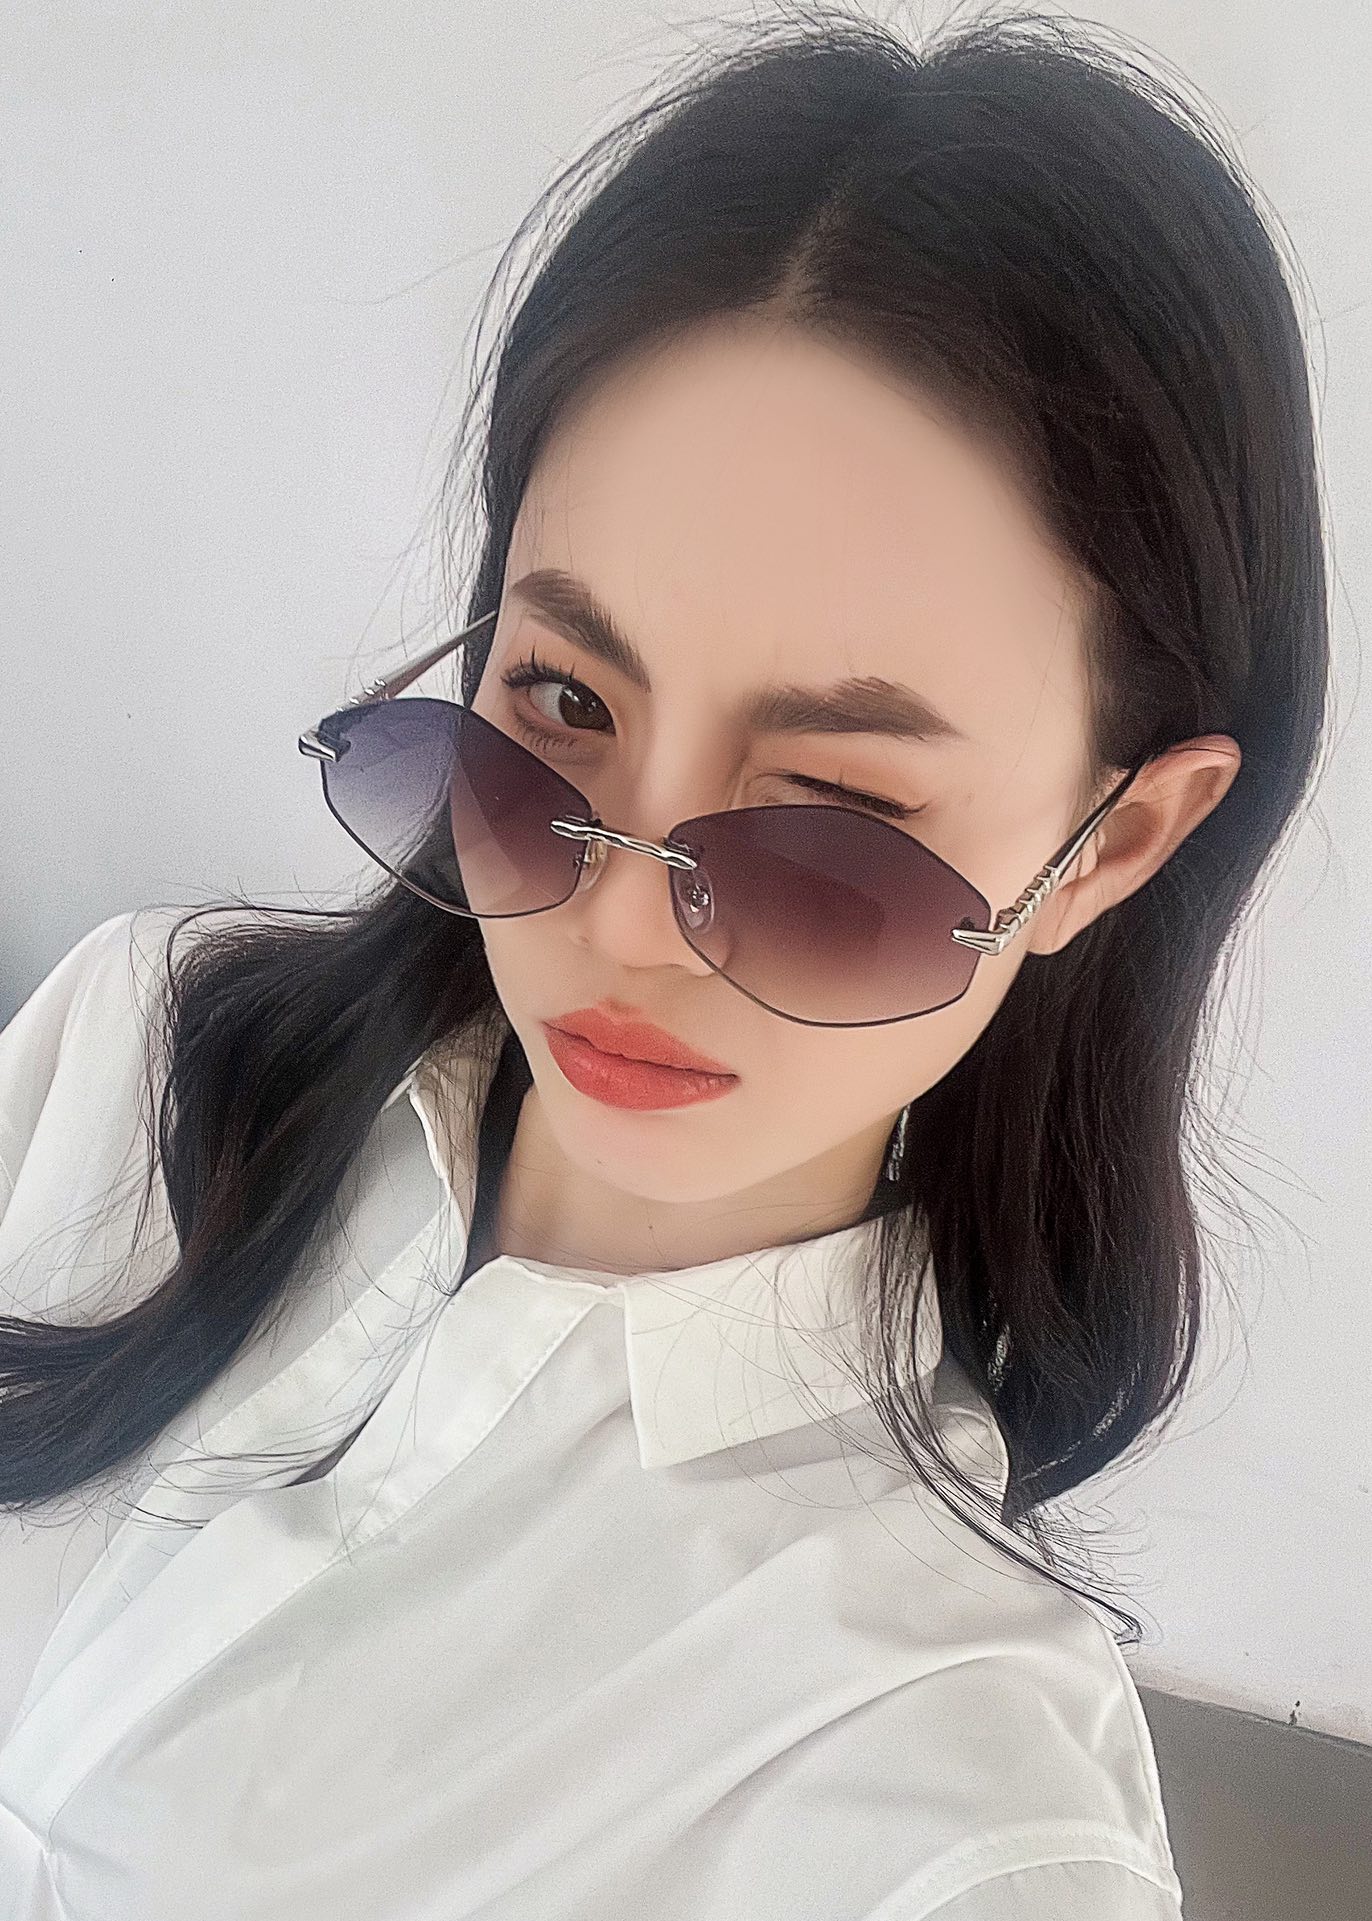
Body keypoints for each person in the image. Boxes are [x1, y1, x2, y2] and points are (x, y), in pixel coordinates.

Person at [0, 11, 1330, 1919]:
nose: (615, 927)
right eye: (560, 703)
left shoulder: (956, 1817)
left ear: (1110, 842)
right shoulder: (128, 1047)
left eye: (832, 820)